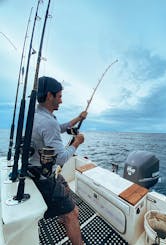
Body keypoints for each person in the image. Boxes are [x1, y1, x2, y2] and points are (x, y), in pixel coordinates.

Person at [29, 76, 87, 245]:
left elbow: (59, 128)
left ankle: (62, 216)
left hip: (35, 169)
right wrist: (77, 142)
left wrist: (78, 118)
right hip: (43, 177)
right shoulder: (47, 122)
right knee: (73, 214)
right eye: (59, 96)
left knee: (66, 187)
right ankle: (67, 218)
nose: (61, 101)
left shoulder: (38, 114)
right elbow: (62, 157)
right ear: (49, 96)